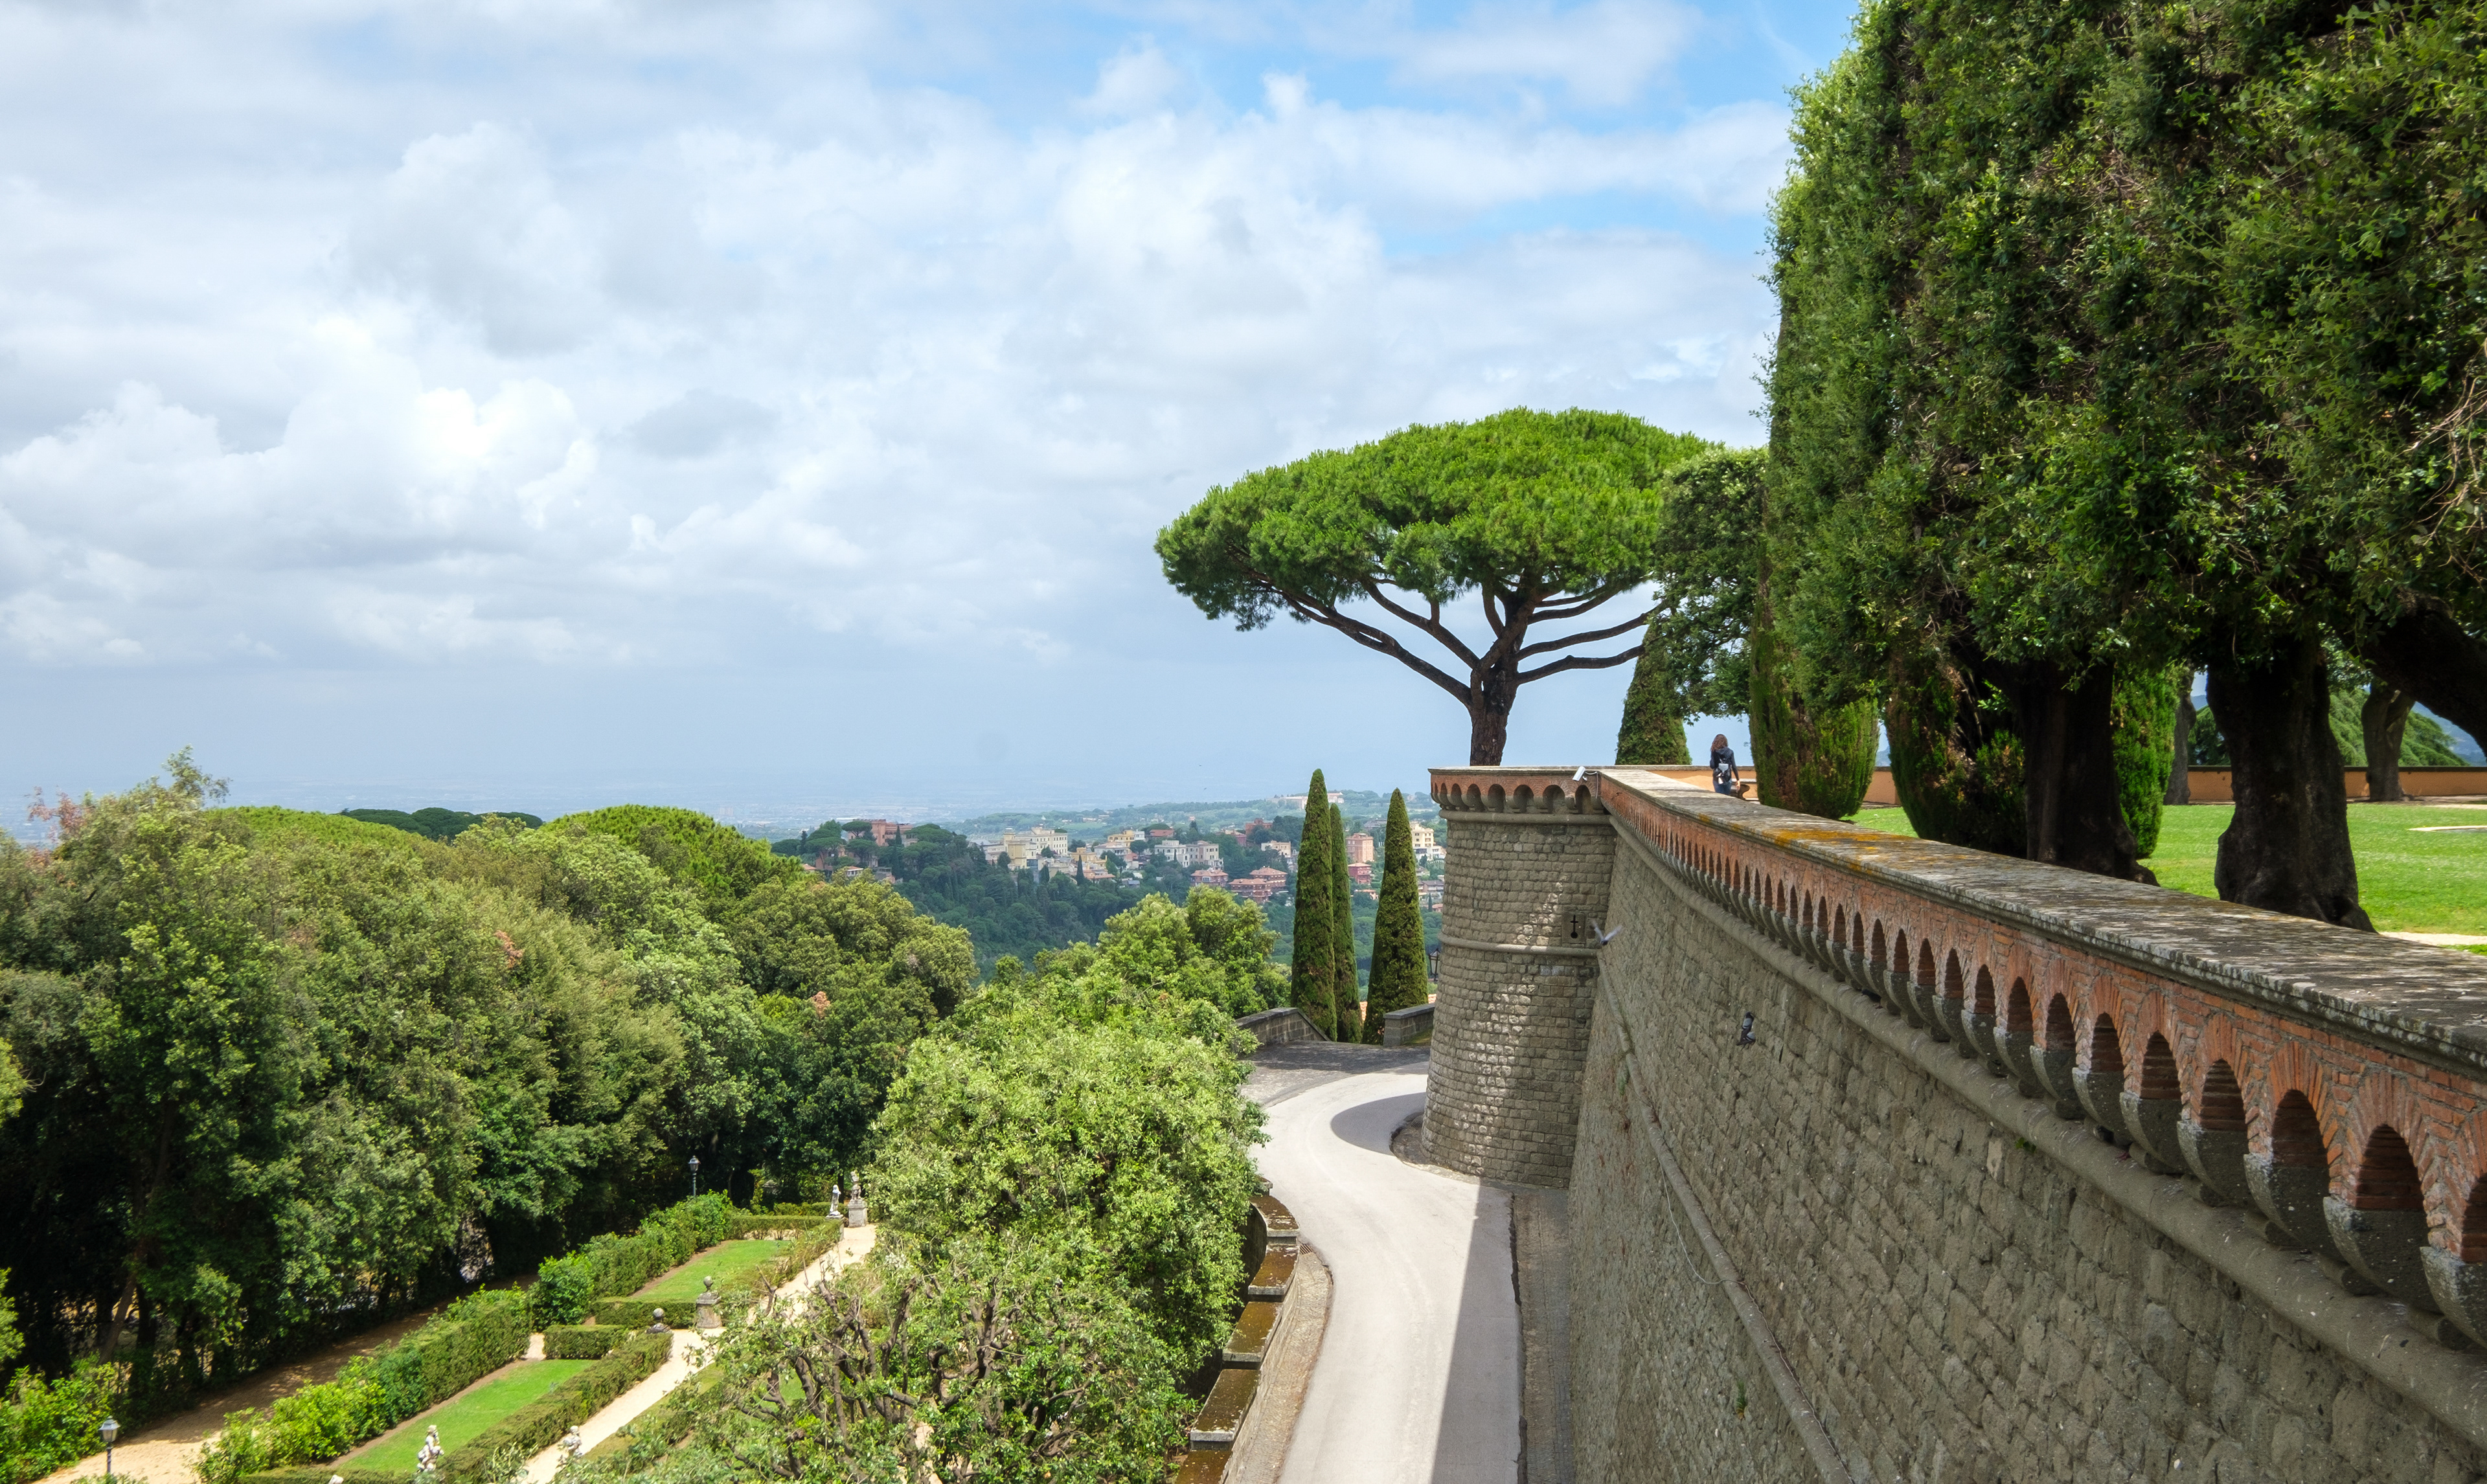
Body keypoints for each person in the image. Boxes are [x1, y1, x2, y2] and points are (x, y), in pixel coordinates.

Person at [1710, 734, 1750, 798]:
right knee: (1727, 797)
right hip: (1727, 778)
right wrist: (1738, 780)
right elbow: (1734, 767)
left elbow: (1712, 766)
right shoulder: (1730, 752)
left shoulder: (1714, 751)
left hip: (1717, 777)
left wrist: (1713, 756)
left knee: (1719, 797)